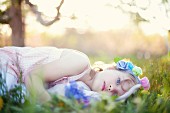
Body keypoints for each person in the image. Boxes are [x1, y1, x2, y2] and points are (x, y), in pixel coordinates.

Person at [0, 46, 150, 104]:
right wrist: (49, 106)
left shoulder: (83, 87)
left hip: (21, 79)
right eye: (118, 80)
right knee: (8, 92)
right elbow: (33, 76)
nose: (111, 88)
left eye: (116, 94)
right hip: (10, 62)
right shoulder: (81, 63)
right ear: (111, 67)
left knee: (15, 97)